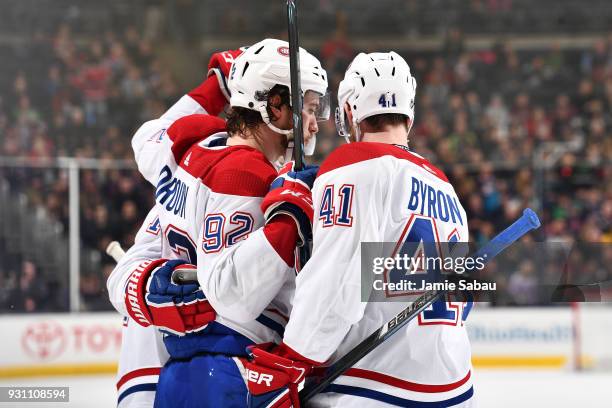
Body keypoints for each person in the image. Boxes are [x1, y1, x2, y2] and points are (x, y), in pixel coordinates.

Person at [107, 38, 329, 407]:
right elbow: (235, 294)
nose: (315, 124)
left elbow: (146, 137)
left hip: (182, 364)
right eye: (306, 109)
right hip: (232, 367)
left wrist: (215, 88)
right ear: (274, 105)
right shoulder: (246, 175)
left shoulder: (191, 153)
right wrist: (289, 218)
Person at [243, 52, 474, 407]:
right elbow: (461, 296)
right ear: (409, 116)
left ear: (350, 112)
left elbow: (338, 279)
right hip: (454, 388)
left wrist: (293, 358)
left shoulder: (354, 164)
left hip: (372, 387)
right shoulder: (445, 188)